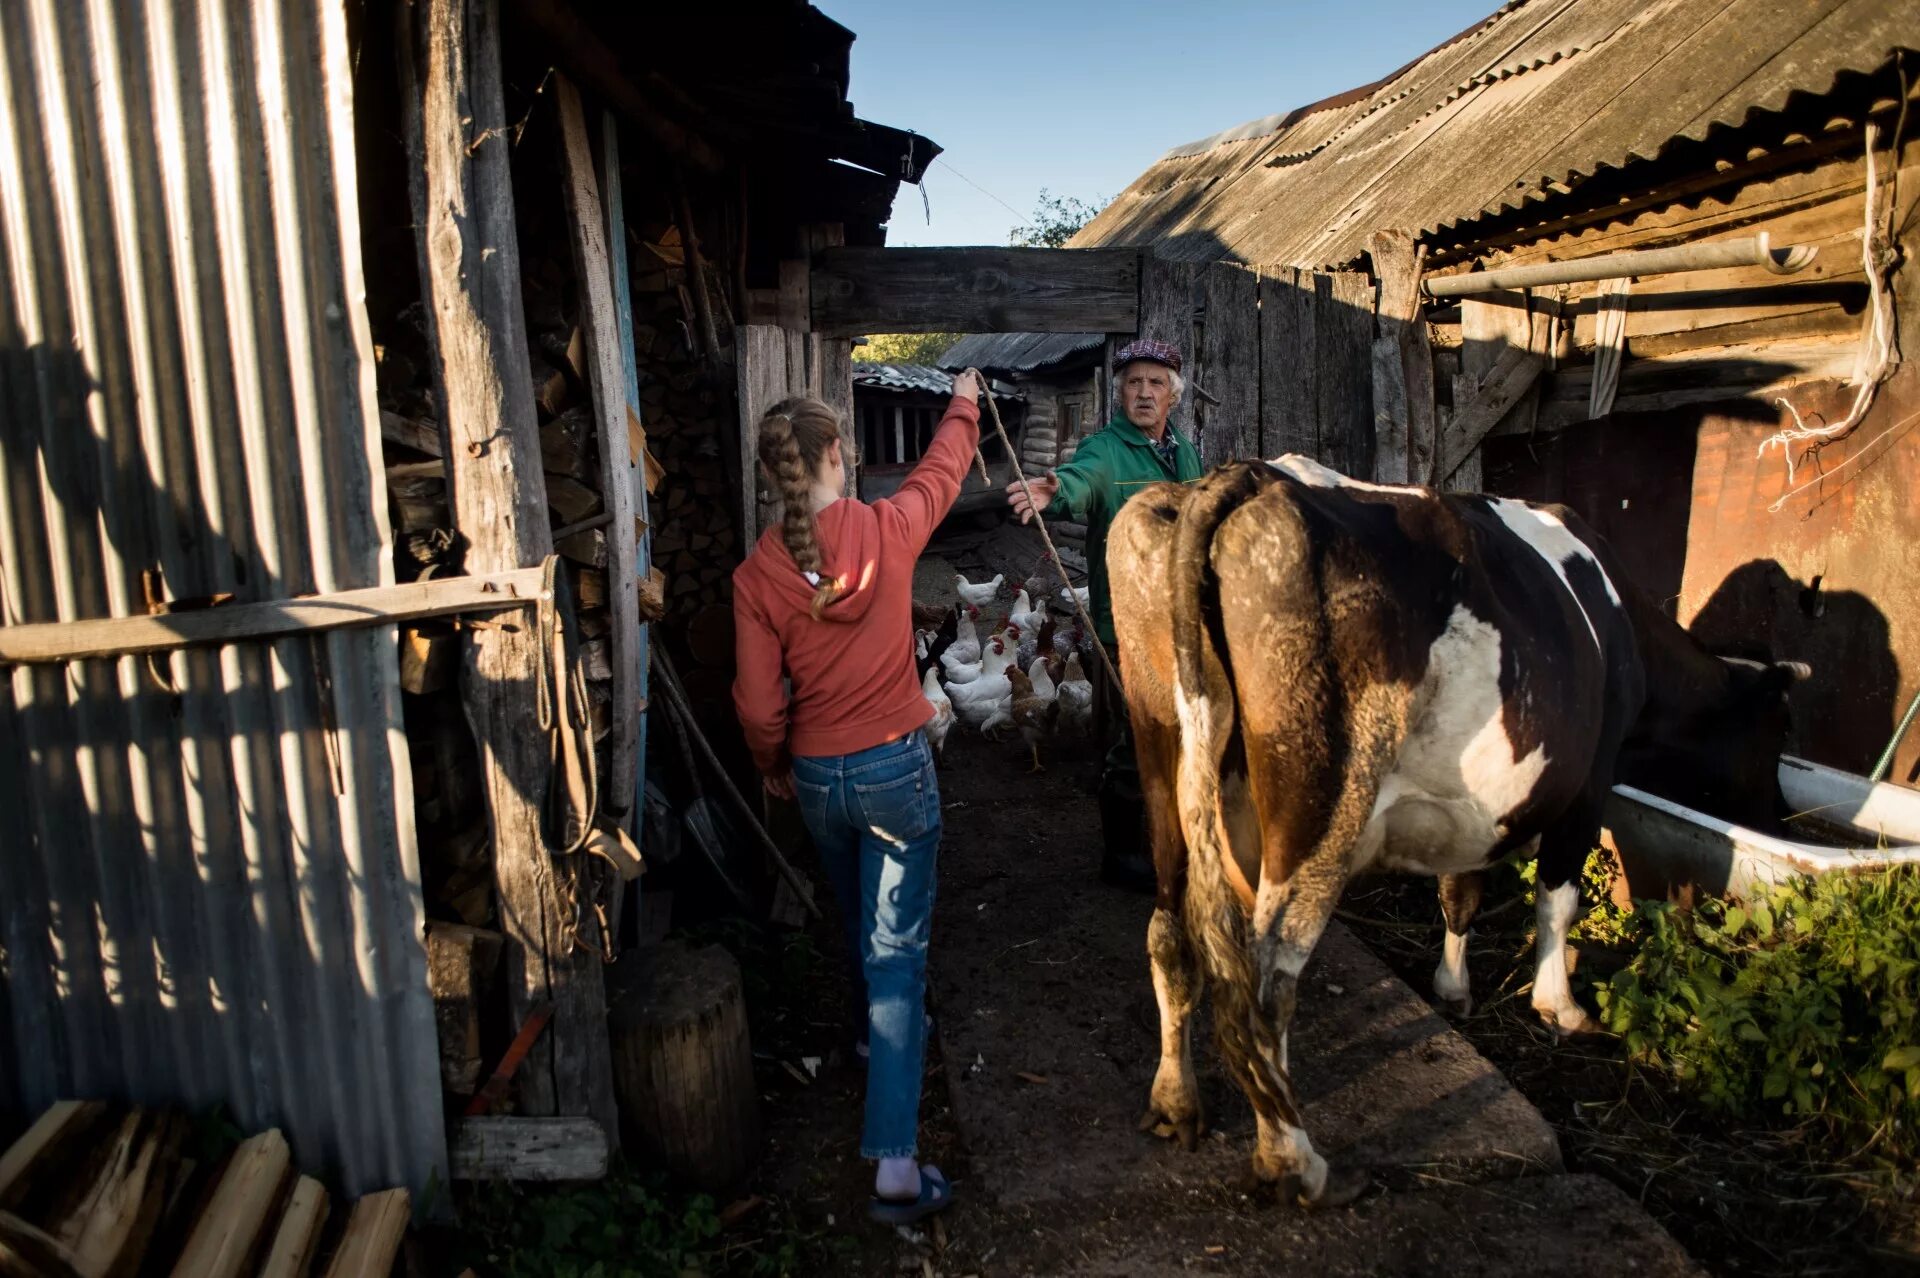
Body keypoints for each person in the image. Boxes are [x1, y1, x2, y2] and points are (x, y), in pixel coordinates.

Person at [731, 371, 982, 1225]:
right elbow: (942, 473)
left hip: (815, 778)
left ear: (777, 475)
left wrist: (772, 763)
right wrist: (965, 402)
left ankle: (877, 1044)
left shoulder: (755, 575)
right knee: (898, 959)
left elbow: (761, 705)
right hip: (893, 770)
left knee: (862, 932)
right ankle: (897, 1171)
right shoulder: (889, 529)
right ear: (838, 455)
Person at [1006, 339, 1203, 891]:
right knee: (1135, 738)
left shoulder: (1184, 453)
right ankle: (1121, 855)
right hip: (1129, 624)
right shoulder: (1105, 450)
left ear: (1173, 397)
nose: (1144, 392)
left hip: (1181, 620)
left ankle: (1171, 835)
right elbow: (1082, 481)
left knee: (1181, 732)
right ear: (1119, 393)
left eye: (1155, 383)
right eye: (1134, 383)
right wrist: (1056, 490)